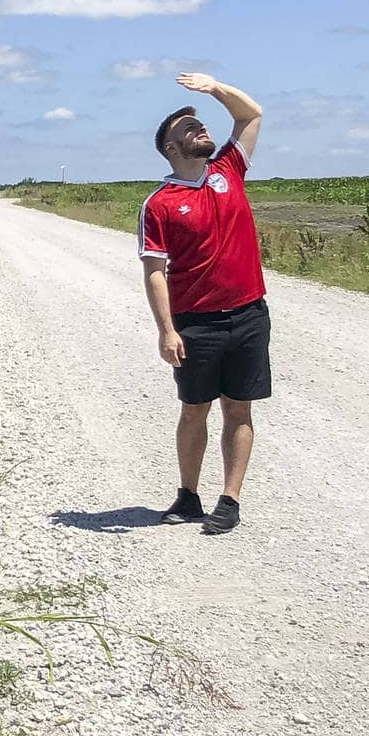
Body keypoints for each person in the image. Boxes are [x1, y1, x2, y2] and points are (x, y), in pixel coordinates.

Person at [138, 72, 268, 534]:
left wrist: (215, 89)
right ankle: (188, 496)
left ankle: (230, 500)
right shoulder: (160, 203)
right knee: (194, 408)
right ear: (172, 149)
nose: (202, 129)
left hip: (249, 314)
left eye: (201, 124)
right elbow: (155, 271)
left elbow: (251, 114)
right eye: (190, 129)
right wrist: (166, 330)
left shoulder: (228, 169)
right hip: (196, 321)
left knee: (239, 408)